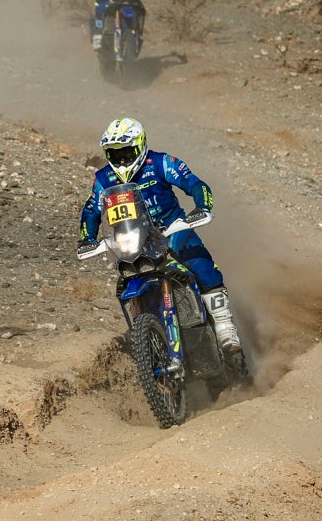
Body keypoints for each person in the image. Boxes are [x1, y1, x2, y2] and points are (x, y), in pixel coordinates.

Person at [78, 116, 242, 355]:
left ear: (140, 145)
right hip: (134, 241)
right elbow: (91, 211)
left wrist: (202, 207)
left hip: (172, 230)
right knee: (125, 282)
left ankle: (225, 327)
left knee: (201, 265)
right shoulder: (104, 179)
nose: (122, 160)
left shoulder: (161, 163)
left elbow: (194, 183)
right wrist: (87, 238)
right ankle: (146, 342)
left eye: (127, 152)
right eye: (115, 154)